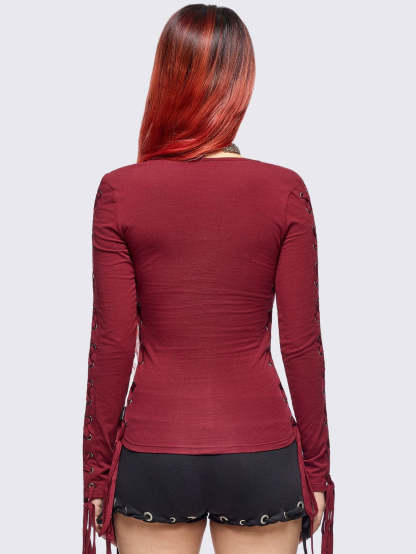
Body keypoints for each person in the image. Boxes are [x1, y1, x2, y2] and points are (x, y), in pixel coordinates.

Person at [82, 4, 335, 554]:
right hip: (261, 450)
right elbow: (302, 344)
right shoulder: (285, 191)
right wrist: (317, 471)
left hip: (155, 450)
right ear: (241, 85)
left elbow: (112, 343)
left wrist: (97, 475)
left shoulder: (120, 192)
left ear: (164, 80)